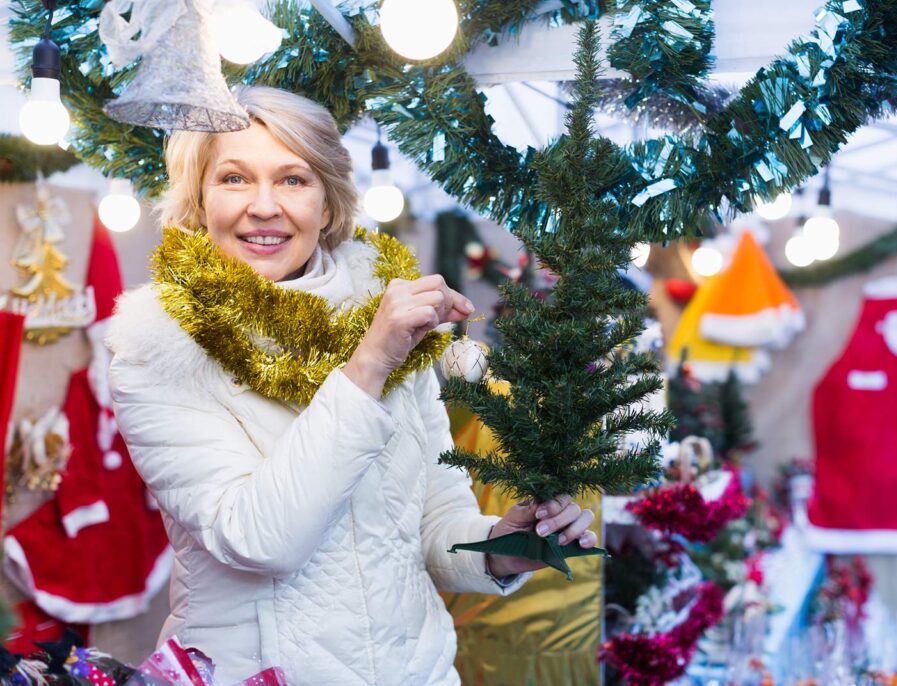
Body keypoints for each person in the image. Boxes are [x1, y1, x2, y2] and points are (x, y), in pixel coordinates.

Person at [106, 86, 598, 685]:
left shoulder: (385, 319)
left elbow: (432, 523)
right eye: (234, 179)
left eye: (293, 180)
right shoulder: (158, 350)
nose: (264, 206)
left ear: (329, 202)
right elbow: (259, 540)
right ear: (198, 198)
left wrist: (501, 544)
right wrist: (368, 363)